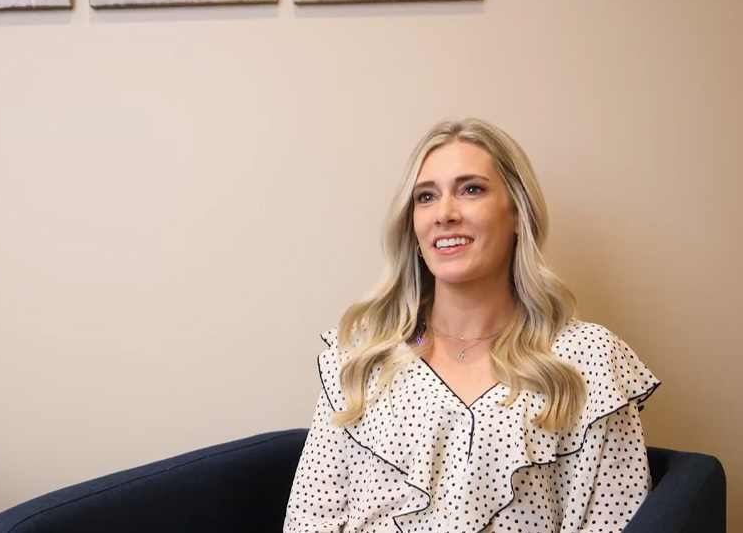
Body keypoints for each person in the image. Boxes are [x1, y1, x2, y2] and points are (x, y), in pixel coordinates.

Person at [283, 118, 660, 533]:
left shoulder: (585, 360)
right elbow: (309, 520)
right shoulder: (359, 357)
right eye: (426, 197)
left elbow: (610, 523)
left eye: (471, 189)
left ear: (518, 214)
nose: (444, 214)